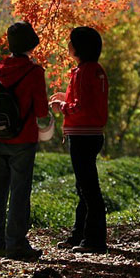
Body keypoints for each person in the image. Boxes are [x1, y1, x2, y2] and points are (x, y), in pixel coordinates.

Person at [0, 21, 50, 261]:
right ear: (31, 45)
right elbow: (41, 111)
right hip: (23, 140)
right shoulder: (34, 73)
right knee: (19, 192)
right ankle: (16, 243)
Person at [51, 26, 109, 254]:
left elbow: (81, 106)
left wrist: (61, 106)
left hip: (83, 135)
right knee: (84, 188)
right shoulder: (94, 70)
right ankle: (80, 235)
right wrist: (65, 98)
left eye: (70, 41)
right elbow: (88, 101)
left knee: (88, 189)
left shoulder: (85, 72)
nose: (68, 45)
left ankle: (94, 240)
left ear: (78, 47)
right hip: (91, 133)